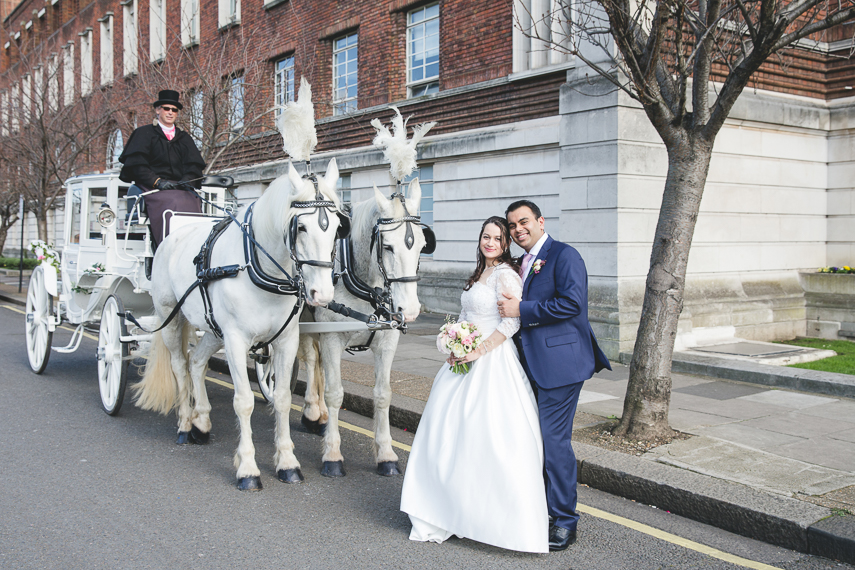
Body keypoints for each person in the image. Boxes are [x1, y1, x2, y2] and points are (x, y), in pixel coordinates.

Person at [400, 216, 549, 554]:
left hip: (493, 362)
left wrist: (478, 350)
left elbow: (512, 322)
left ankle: (486, 516)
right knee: (448, 436)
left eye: (497, 237)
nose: (491, 242)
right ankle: (446, 508)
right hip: (463, 360)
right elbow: (465, 319)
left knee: (488, 439)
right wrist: (453, 344)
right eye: (486, 236)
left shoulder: (506, 275)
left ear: (506, 243)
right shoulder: (477, 274)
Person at [498, 200, 612, 551]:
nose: (519, 229)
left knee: (553, 442)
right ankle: (543, 509)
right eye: (513, 226)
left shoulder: (565, 255)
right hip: (528, 365)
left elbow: (573, 303)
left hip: (561, 366)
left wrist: (523, 309)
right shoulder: (520, 263)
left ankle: (565, 520)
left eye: (524, 222)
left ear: (540, 221)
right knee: (531, 440)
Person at [118, 89, 206, 247]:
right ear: (158, 110)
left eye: (174, 110)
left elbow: (193, 166)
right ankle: (168, 248)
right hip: (152, 186)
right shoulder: (143, 134)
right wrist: (158, 182)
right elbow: (138, 166)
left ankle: (193, 248)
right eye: (167, 108)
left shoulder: (184, 138)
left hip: (179, 187)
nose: (170, 113)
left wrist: (186, 181)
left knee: (193, 200)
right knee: (173, 200)